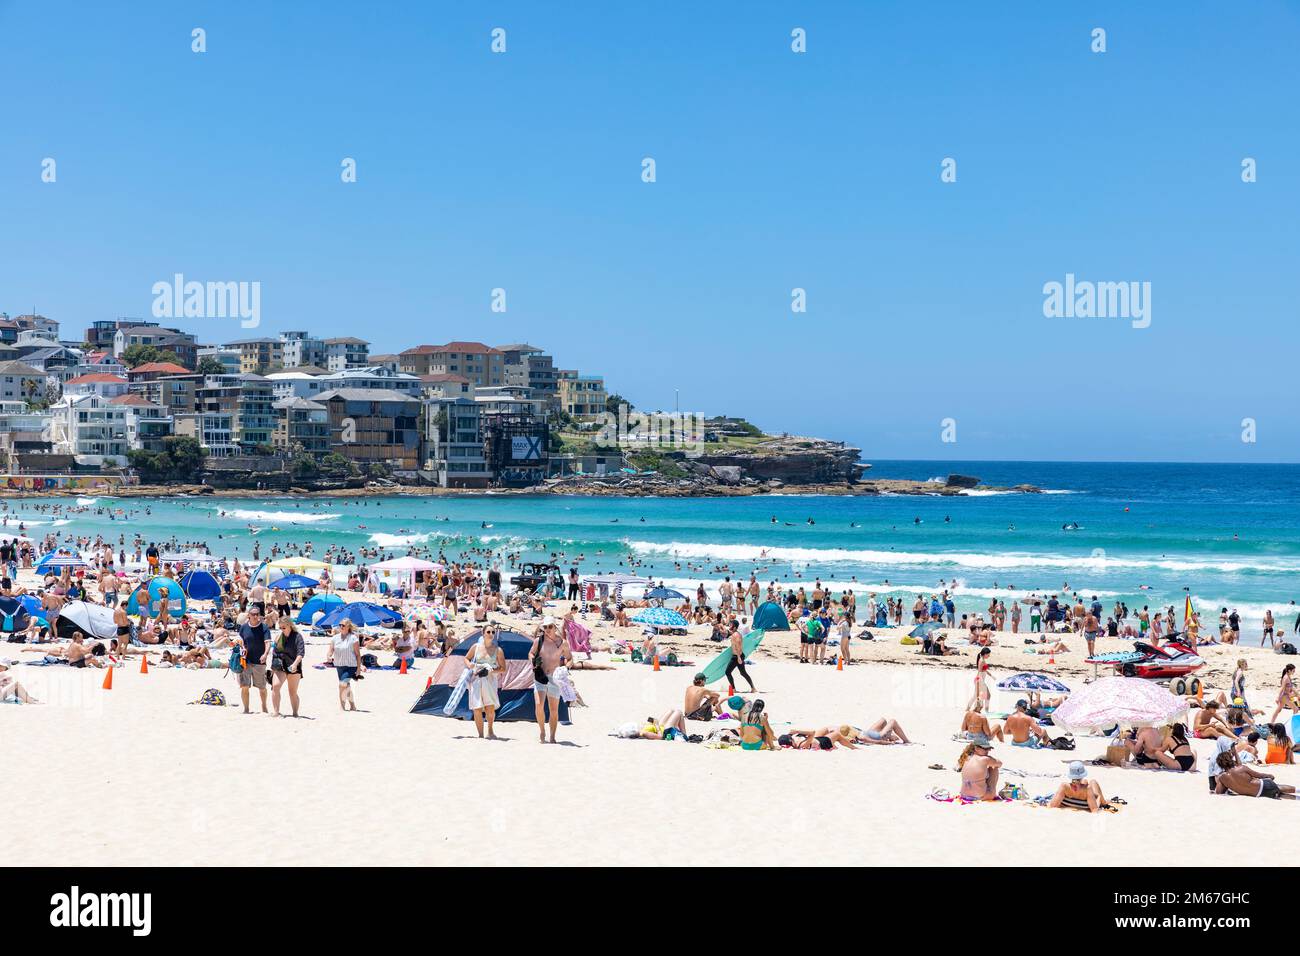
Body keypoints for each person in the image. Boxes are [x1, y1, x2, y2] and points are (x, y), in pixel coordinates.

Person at [529, 617, 571, 744]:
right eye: (545, 627)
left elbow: (569, 658)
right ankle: (542, 730)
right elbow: (530, 653)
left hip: (555, 677)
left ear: (554, 626)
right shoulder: (538, 641)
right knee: (538, 704)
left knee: (554, 709)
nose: (547, 629)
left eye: (550, 627)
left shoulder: (562, 643)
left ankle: (552, 736)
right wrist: (533, 661)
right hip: (540, 676)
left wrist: (566, 668)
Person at [466, 624, 506, 739]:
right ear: (483, 633)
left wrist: (491, 670)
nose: (491, 634)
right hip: (476, 679)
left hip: (490, 679)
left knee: (489, 706)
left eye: (493, 632)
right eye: (488, 632)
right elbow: (466, 658)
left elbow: (503, 668)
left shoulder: (498, 650)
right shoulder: (476, 647)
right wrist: (470, 665)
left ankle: (490, 730)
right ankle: (480, 735)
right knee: (477, 707)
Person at [1214, 750, 1295, 799]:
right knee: (1279, 787)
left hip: (1258, 794)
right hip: (1262, 785)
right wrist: (1269, 775)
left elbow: (1218, 792)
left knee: (1280, 792)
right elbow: (1259, 775)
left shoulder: (1222, 777)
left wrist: (1220, 782)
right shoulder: (1241, 768)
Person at [236, 605, 271, 714]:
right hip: (245, 661)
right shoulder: (244, 627)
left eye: (257, 614)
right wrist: (239, 645)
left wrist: (265, 654)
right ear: (248, 616)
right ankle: (246, 709)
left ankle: (264, 707)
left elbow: (268, 643)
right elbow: (240, 639)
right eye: (253, 614)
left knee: (262, 687)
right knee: (245, 686)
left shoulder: (264, 627)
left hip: (259, 662)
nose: (255, 616)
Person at [270, 615, 305, 718]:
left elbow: (301, 653)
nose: (282, 630)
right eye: (280, 628)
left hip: (294, 665)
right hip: (280, 665)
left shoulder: (297, 636)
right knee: (275, 686)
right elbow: (274, 653)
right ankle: (276, 712)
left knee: (292, 691)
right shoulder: (278, 637)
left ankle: (295, 713)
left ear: (290, 625)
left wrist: (295, 664)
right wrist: (272, 668)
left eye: (284, 627)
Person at [330, 618, 363, 712]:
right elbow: (331, 650)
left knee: (342, 684)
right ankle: (352, 705)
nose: (341, 627)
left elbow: (358, 654)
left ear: (348, 627)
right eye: (340, 625)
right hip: (339, 665)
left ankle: (342, 705)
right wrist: (328, 656)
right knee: (346, 686)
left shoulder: (353, 638)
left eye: (343, 625)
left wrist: (358, 668)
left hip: (351, 666)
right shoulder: (335, 638)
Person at [958, 734, 1001, 801]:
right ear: (976, 748)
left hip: (964, 795)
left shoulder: (967, 757)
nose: (987, 751)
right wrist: (991, 760)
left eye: (989, 749)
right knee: (994, 768)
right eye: (985, 748)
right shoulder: (985, 759)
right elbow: (999, 763)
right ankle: (991, 792)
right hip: (980, 797)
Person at [724, 622, 756, 693]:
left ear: (735, 627)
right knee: (743, 673)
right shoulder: (734, 634)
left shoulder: (737, 635)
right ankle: (753, 688)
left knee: (727, 672)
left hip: (737, 657)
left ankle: (733, 689)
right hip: (737, 656)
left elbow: (738, 647)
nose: (730, 626)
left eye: (731, 625)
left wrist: (739, 657)